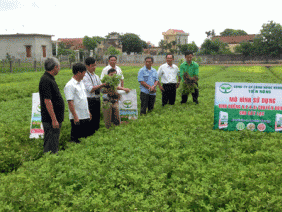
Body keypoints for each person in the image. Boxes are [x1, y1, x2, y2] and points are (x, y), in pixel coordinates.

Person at [39, 57, 64, 155]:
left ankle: (53, 156)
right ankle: (49, 160)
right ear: (55, 67)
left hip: (55, 118)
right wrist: (54, 119)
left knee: (54, 141)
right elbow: (47, 101)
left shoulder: (49, 79)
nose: (59, 68)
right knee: (50, 141)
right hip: (50, 120)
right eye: (59, 67)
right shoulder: (46, 80)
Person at [64, 63, 92, 143]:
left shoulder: (81, 83)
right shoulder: (70, 85)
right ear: (79, 73)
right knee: (76, 139)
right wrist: (75, 116)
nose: (85, 75)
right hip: (77, 117)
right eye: (84, 72)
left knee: (85, 137)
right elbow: (70, 102)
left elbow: (83, 99)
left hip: (85, 115)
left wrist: (88, 112)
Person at [83, 57, 106, 136]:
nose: (94, 67)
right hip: (89, 100)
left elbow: (101, 89)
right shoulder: (85, 76)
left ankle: (96, 133)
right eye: (92, 66)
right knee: (91, 118)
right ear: (87, 66)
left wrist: (107, 89)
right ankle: (90, 134)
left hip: (97, 99)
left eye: (95, 65)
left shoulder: (96, 76)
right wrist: (102, 85)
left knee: (97, 118)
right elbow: (90, 89)